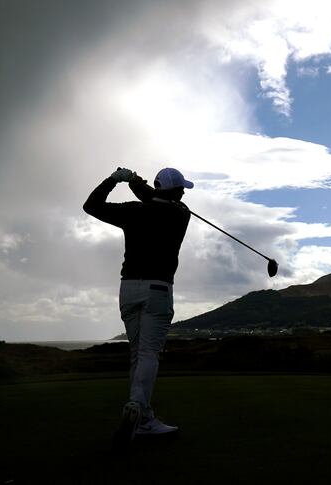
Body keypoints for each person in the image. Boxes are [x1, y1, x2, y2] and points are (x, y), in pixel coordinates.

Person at [83, 166, 193, 446]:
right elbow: (153, 197)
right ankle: (136, 406)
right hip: (158, 289)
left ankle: (143, 418)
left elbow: (91, 206)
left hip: (128, 288)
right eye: (182, 188)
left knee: (137, 354)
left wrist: (116, 179)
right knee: (148, 354)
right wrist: (135, 182)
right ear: (177, 190)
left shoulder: (133, 211)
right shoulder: (180, 214)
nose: (183, 192)